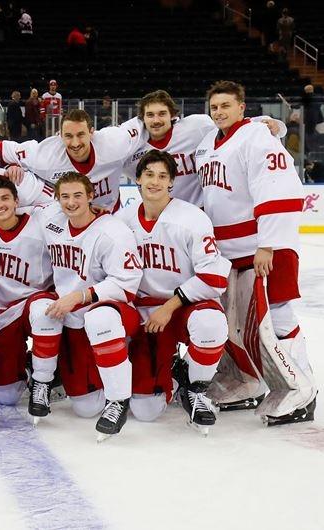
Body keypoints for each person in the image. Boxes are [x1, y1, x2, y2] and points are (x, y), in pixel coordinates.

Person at [194, 80, 315, 425]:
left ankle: (302, 391)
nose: (219, 112)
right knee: (237, 324)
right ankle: (246, 385)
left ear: (242, 107)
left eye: (226, 106)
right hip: (229, 251)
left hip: (263, 246)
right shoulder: (207, 145)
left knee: (276, 317)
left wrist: (268, 243)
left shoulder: (257, 136)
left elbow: (277, 187)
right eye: (214, 107)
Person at [115, 150, 230, 433]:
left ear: (171, 183)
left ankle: (195, 387)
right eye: (149, 175)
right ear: (138, 179)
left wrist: (170, 306)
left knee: (211, 324)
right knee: (145, 411)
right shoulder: (122, 220)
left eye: (162, 176)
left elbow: (214, 277)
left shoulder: (192, 218)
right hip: (144, 312)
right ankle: (173, 372)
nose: (154, 181)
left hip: (184, 308)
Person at [29, 172, 142, 440]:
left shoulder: (112, 232)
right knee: (85, 407)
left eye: (78, 195)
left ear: (91, 196)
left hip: (112, 313)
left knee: (99, 318)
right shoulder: (50, 218)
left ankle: (118, 400)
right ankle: (42, 382)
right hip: (72, 319)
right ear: (57, 199)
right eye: (65, 196)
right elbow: (19, 205)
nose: (71, 202)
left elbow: (127, 285)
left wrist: (80, 296)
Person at [120, 89, 285, 205]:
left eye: (162, 114)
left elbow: (229, 127)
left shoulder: (195, 127)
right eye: (150, 115)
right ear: (142, 119)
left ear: (173, 115)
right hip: (163, 219)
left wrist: (265, 123)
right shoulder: (132, 151)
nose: (156, 120)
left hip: (201, 212)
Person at [0, 178, 54, 412]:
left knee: (43, 312)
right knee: (6, 396)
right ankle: (28, 365)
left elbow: (62, 201)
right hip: (4, 313)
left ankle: (44, 381)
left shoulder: (40, 222)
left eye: (5, 199)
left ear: (16, 202)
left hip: (37, 302)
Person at [0, 108, 136, 212]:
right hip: (68, 220)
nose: (75, 143)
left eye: (81, 135)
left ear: (92, 133)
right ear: (60, 135)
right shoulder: (46, 155)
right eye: (68, 136)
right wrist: (10, 164)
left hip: (110, 216)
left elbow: (145, 125)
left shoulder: (115, 142)